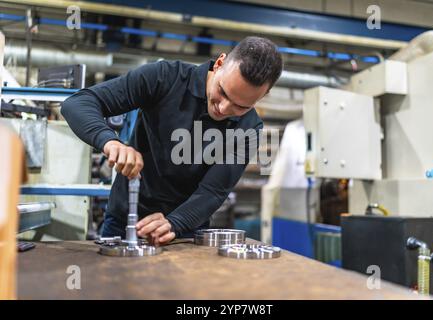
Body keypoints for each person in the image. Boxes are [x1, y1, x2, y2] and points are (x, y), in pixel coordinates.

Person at [61, 36, 283, 245]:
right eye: (222, 92)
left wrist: (175, 223)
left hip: (186, 232)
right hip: (124, 223)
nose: (224, 108)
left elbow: (213, 191)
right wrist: (110, 141)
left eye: (241, 106)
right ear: (219, 63)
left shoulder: (250, 127)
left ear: (262, 97)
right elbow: (78, 103)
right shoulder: (165, 78)